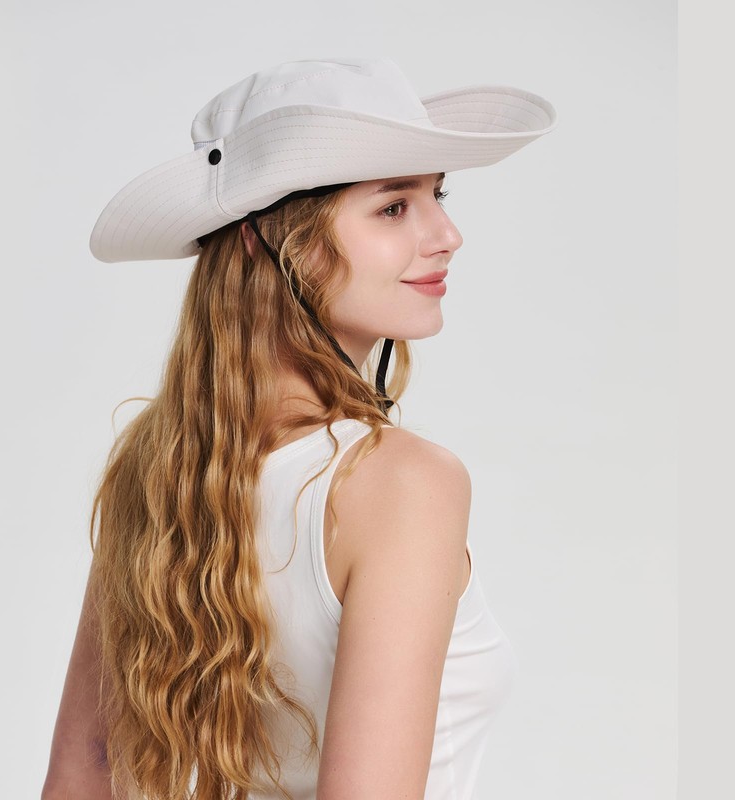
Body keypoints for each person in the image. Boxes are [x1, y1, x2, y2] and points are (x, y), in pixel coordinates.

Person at [41, 57, 557, 800]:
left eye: (436, 195)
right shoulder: (405, 483)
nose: (447, 234)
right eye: (393, 207)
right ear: (269, 240)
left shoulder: (158, 466)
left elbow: (80, 775)